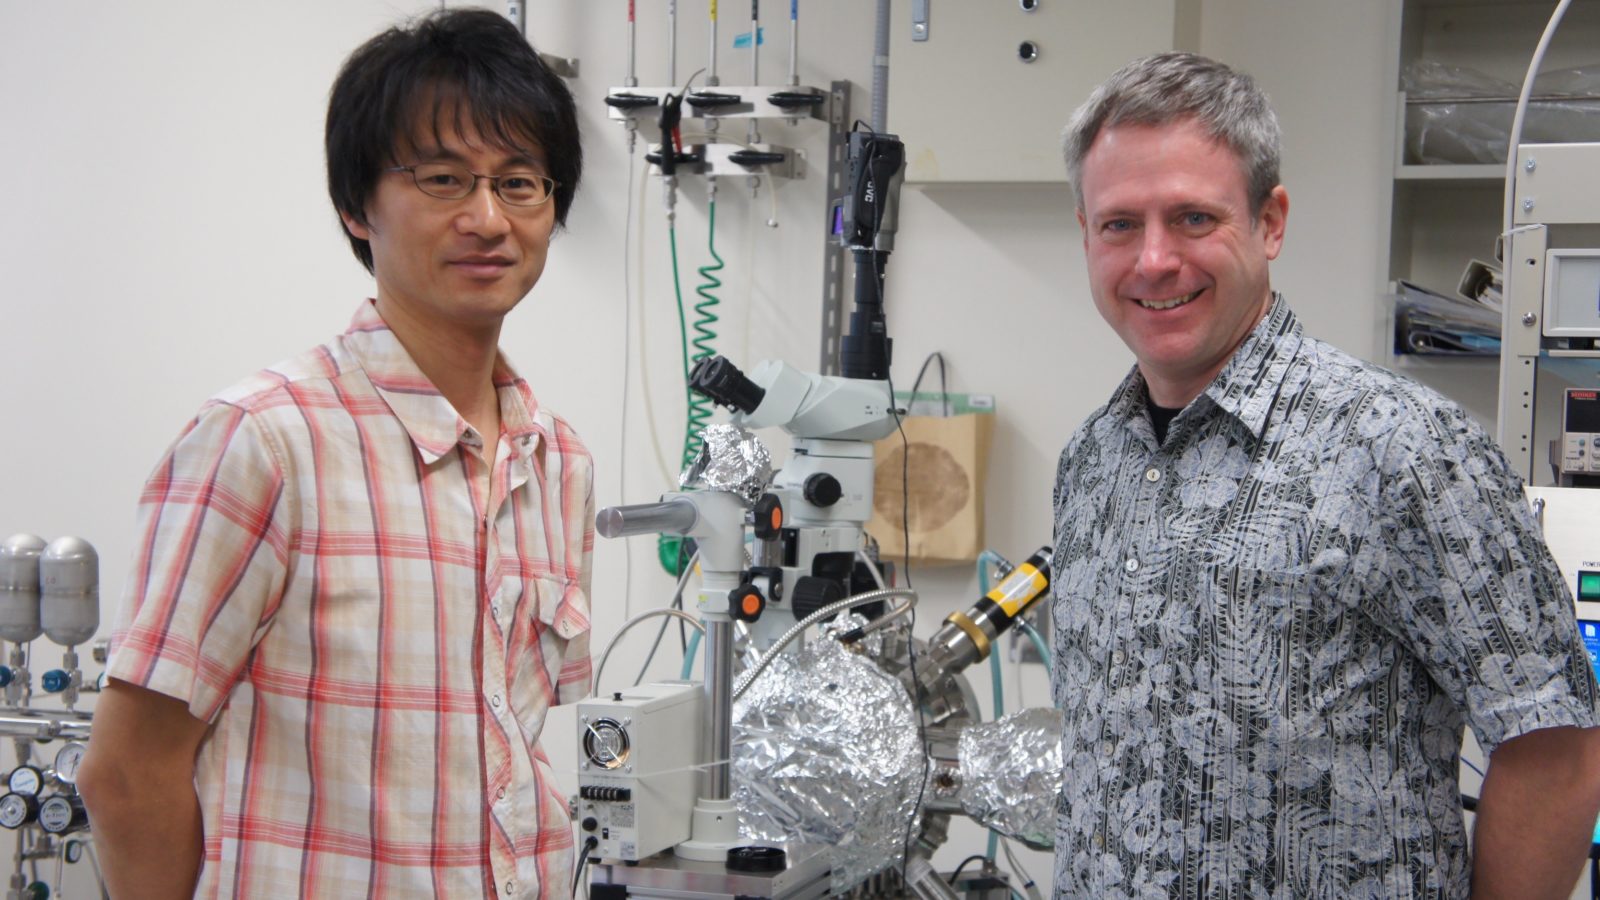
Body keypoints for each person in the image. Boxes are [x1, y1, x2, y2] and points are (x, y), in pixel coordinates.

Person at [1050, 51, 1600, 898]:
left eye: (1194, 219)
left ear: (1270, 222)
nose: (1155, 260)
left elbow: (1553, 745)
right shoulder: (1091, 460)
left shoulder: (1403, 446)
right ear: (1086, 233)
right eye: (1121, 224)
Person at [76, 10, 593, 898]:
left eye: (520, 184)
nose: (487, 218)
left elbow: (507, 757)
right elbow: (125, 775)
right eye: (443, 179)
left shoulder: (557, 463)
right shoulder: (267, 441)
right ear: (357, 207)